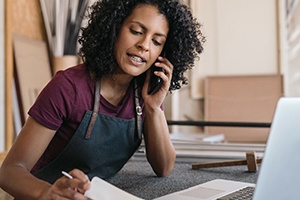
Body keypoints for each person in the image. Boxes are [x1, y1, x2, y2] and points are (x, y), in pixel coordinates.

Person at [0, 0, 205, 199]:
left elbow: (164, 167)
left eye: (157, 41)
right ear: (114, 27)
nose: (144, 45)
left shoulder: (146, 93)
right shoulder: (68, 87)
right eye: (136, 31)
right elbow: (9, 172)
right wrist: (46, 193)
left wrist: (153, 109)